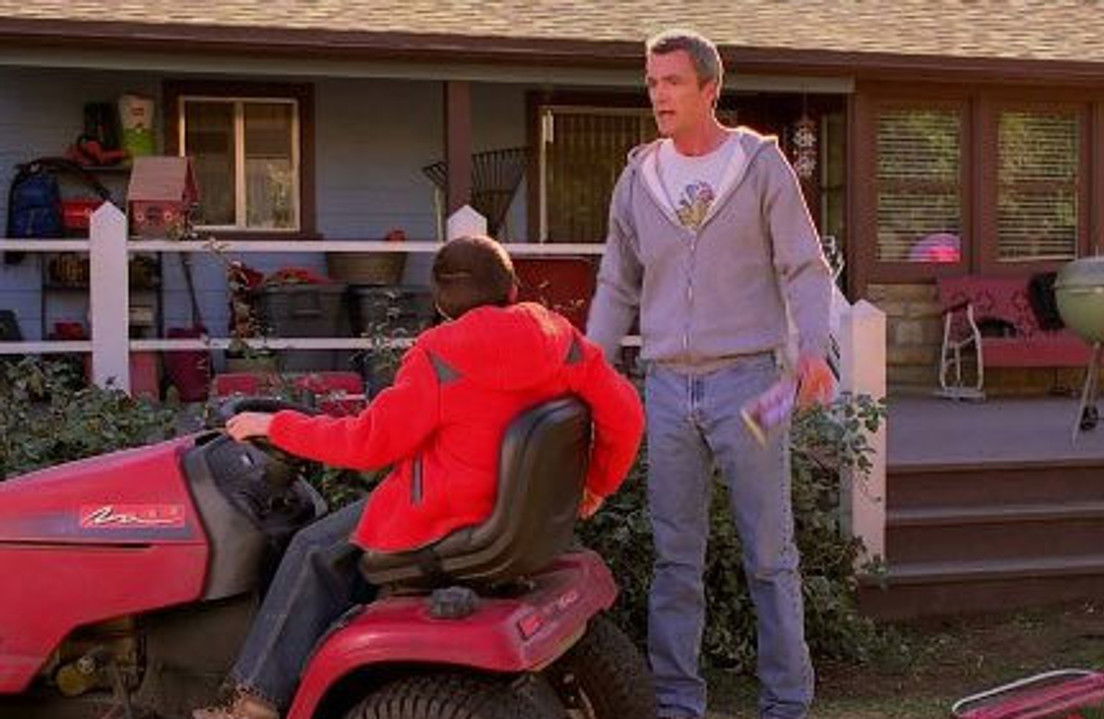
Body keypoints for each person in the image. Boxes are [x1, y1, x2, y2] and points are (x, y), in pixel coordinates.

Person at [194, 235, 645, 719]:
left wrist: (275, 427)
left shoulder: (438, 355)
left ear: (440, 304)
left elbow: (369, 445)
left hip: (444, 518)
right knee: (339, 540)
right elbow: (626, 414)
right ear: (513, 289)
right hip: (521, 512)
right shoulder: (559, 338)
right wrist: (597, 484)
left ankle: (254, 699)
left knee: (313, 549)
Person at [585, 29, 837, 719]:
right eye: (651, 82)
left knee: (769, 555)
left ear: (709, 89)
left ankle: (786, 703)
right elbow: (616, 283)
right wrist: (588, 368)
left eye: (672, 81)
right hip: (667, 389)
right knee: (675, 560)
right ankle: (676, 703)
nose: (658, 94)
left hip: (751, 386)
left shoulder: (759, 166)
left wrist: (813, 349)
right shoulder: (639, 178)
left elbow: (804, 266)